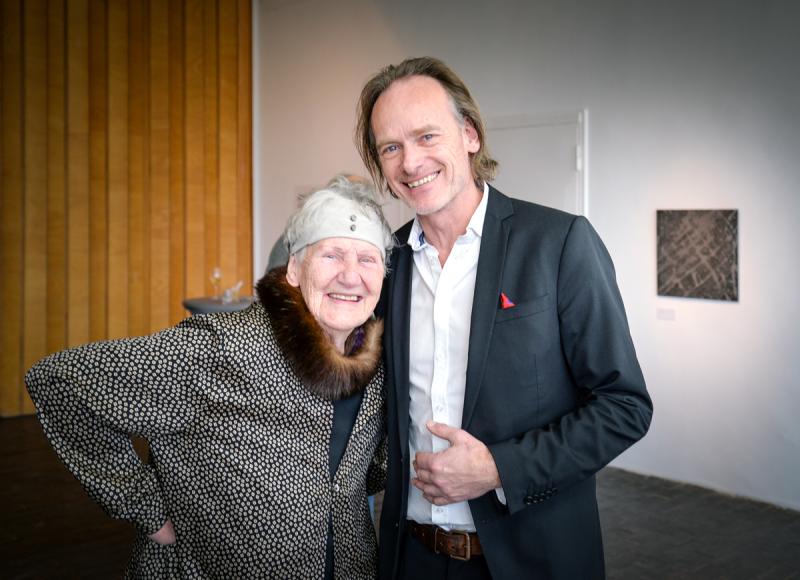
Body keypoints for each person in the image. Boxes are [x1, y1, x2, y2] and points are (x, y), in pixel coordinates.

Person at [355, 57, 653, 579]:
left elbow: (623, 406)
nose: (410, 162)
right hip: (411, 559)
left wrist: (498, 468)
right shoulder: (387, 263)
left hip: (532, 559)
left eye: (427, 136)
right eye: (391, 147)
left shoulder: (558, 244)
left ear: (469, 135)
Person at [25, 175, 395, 579]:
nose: (350, 275)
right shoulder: (224, 347)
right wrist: (147, 510)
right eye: (332, 255)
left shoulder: (376, 366)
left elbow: (364, 473)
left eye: (367, 259)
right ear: (293, 268)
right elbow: (60, 383)